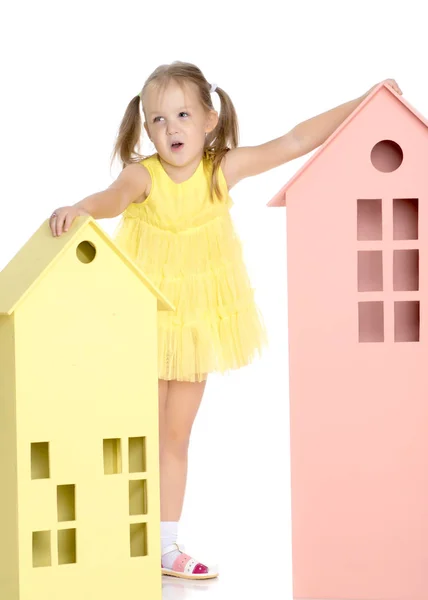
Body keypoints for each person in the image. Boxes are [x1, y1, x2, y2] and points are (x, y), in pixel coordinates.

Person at [49, 62, 401, 579]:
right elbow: (113, 198)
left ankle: (165, 547)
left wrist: (365, 101)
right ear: (145, 128)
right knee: (132, 429)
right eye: (157, 119)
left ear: (210, 120)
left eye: (183, 114)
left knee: (175, 436)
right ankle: (117, 534)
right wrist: (81, 207)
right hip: (142, 318)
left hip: (193, 327)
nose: (170, 128)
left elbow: (295, 140)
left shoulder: (220, 171)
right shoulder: (141, 175)